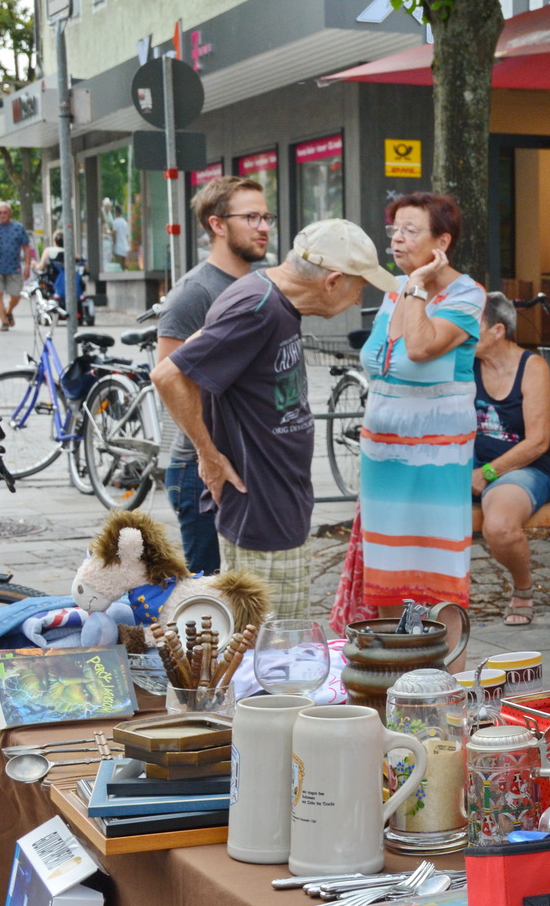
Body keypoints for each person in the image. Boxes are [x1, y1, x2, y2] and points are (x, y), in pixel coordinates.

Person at [152, 221, 393, 618]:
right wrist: (207, 455)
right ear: (333, 281)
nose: (357, 301)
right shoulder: (257, 305)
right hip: (261, 510)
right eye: (359, 288)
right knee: (274, 654)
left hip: (276, 505)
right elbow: (168, 375)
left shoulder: (266, 296)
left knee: (275, 648)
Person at [358, 192, 485, 612]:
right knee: (387, 572)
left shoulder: (467, 295)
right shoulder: (393, 288)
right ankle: (397, 671)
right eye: (395, 230)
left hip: (436, 458)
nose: (397, 240)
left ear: (442, 243)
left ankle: (446, 675)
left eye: (410, 231)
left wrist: (415, 288)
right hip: (381, 453)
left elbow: (419, 347)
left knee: (438, 573)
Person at [156, 176, 272, 575]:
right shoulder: (194, 293)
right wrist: (209, 455)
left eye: (266, 216)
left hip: (245, 463)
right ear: (217, 225)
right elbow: (168, 380)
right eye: (251, 217)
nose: (263, 227)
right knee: (209, 604)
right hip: (202, 469)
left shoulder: (262, 284)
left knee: (247, 597)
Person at [469, 292, 550, 625]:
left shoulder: (532, 367)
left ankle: (523, 588)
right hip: (469, 466)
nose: (463, 333)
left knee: (501, 528)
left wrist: (488, 472)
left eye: (472, 325)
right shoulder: (466, 364)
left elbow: (537, 442)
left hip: (524, 468)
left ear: (498, 330)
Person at [0, 202, 31, 331]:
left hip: (14, 267)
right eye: (0, 213)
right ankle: (4, 322)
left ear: (10, 213)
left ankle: (9, 310)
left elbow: (26, 247)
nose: (3, 215)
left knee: (16, 294)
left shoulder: (18, 227)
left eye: (5, 212)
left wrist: (28, 265)